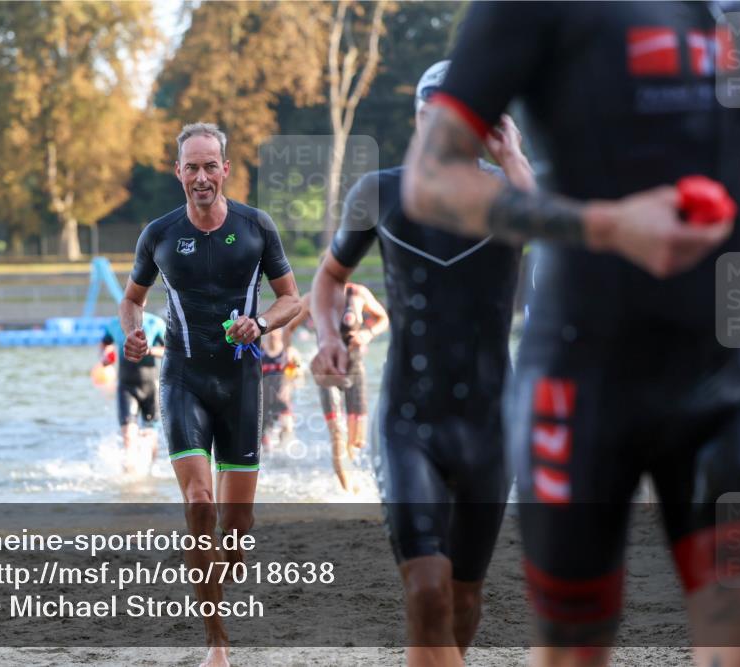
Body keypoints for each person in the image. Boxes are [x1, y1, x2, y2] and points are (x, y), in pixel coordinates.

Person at [401, 4, 740, 666]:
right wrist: (606, 226)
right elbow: (429, 178)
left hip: (730, 379)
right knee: (574, 653)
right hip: (581, 382)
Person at [310, 60, 536, 666]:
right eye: (431, 118)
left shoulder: (511, 193)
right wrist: (328, 335)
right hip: (409, 422)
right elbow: (330, 278)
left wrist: (514, 157)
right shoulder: (380, 193)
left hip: (492, 424)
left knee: (463, 596)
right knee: (427, 589)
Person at [119, 122, 300, 667]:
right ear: (178, 172)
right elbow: (132, 299)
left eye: (210, 166)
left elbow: (292, 298)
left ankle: (229, 551)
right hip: (183, 379)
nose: (201, 177)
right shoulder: (158, 234)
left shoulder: (256, 226)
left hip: (241, 382)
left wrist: (261, 324)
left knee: (236, 531)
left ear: (226, 169)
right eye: (191, 167)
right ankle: (217, 644)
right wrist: (133, 332)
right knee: (199, 503)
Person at [314, 282, 388, 490]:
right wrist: (286, 350)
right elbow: (290, 320)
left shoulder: (358, 293)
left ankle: (351, 477)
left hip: (355, 368)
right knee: (338, 432)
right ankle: (346, 492)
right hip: (328, 371)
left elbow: (383, 318)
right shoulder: (316, 295)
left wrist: (368, 334)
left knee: (357, 441)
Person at [100, 311, 166, 475]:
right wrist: (105, 356)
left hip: (151, 387)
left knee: (150, 437)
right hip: (126, 387)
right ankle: (130, 480)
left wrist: (148, 350)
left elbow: (169, 350)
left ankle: (149, 476)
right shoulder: (114, 324)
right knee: (129, 437)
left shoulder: (155, 323)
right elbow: (105, 344)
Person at [259, 326, 294, 451]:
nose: (273, 336)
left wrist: (287, 387)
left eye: (275, 333)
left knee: (287, 427)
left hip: (281, 397)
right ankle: (268, 452)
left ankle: (281, 450)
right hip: (264, 399)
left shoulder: (287, 353)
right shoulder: (260, 351)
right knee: (264, 433)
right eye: (271, 334)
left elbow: (293, 373)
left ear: (281, 335)